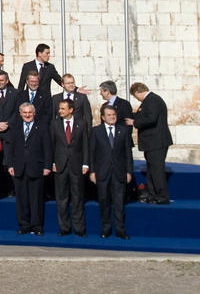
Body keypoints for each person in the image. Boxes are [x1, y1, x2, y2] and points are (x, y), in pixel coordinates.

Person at [5, 103, 53, 235]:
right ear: (20, 114)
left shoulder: (42, 127)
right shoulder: (15, 127)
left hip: (36, 168)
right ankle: (24, 225)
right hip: (19, 168)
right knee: (21, 199)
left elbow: (48, 148)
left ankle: (37, 226)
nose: (27, 115)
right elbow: (10, 148)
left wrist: (47, 166)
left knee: (36, 199)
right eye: (25, 113)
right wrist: (10, 165)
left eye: (30, 112)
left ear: (34, 113)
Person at [91, 104, 133, 238]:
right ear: (103, 117)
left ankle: (121, 230)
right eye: (109, 115)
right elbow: (91, 153)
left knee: (119, 203)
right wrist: (92, 171)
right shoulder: (95, 131)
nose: (112, 117)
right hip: (102, 173)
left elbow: (128, 153)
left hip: (119, 172)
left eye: (114, 115)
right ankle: (106, 229)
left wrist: (129, 172)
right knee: (104, 202)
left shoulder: (123, 130)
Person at [51, 99, 89, 237]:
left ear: (71, 110)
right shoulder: (55, 124)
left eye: (62, 108)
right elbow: (52, 145)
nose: (60, 111)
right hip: (60, 165)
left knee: (77, 197)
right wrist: (52, 163)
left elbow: (85, 144)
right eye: (59, 108)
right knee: (62, 198)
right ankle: (64, 228)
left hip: (76, 165)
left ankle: (79, 229)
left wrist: (85, 163)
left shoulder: (81, 123)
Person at [130, 82, 173, 204]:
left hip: (157, 142)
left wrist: (134, 123)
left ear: (138, 92)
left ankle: (162, 196)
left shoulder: (152, 100)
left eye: (135, 96)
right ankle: (153, 194)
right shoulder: (149, 100)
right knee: (151, 170)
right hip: (152, 142)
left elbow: (151, 118)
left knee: (157, 170)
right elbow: (142, 115)